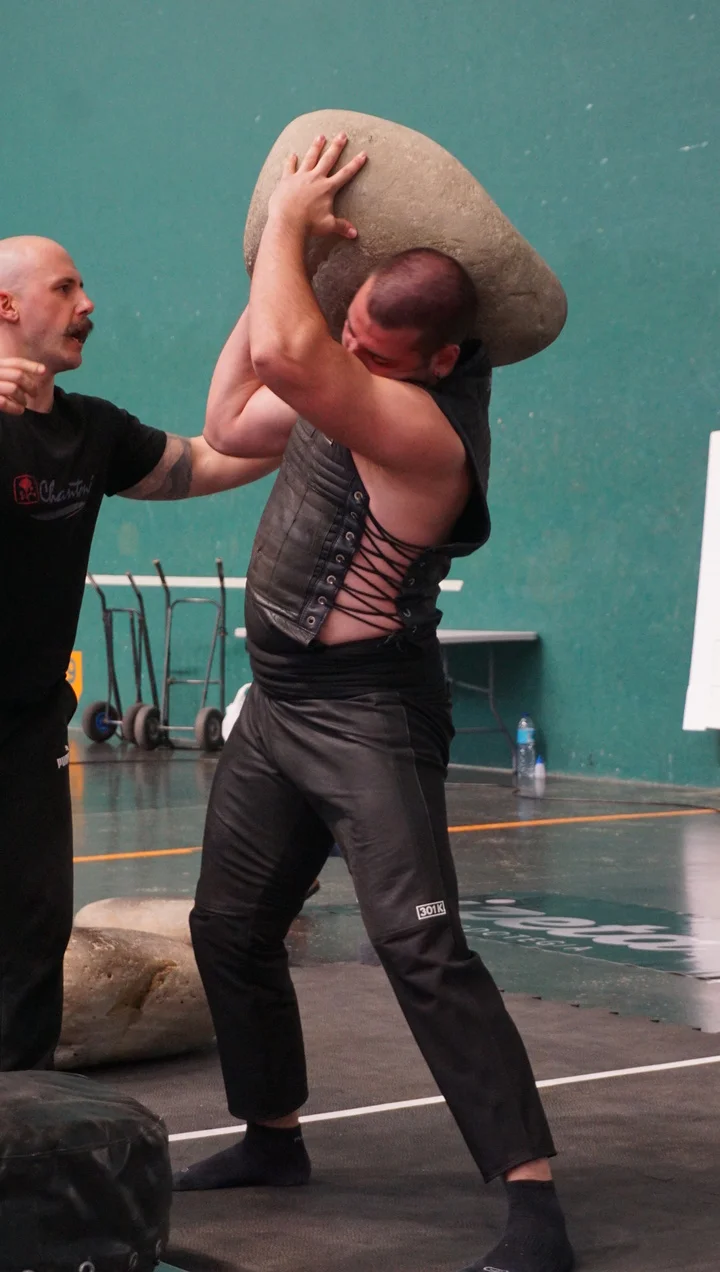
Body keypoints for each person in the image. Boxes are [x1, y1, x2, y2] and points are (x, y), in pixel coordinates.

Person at [175, 136, 574, 1272]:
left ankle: (535, 1210)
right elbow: (230, 415)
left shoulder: (425, 432)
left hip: (366, 715)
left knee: (421, 947)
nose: (350, 351)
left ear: (440, 359)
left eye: (375, 348)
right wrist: (283, 259)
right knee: (228, 928)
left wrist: (288, 229)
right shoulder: (344, 386)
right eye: (345, 332)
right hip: (280, 702)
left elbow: (291, 356)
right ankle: (273, 1136)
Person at [0, 235, 280, 1074]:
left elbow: (205, 461)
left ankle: (26, 1113)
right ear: (6, 306)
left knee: (33, 926)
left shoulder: (92, 431)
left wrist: (333, 409)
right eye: (65, 288)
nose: (88, 304)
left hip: (26, 724)